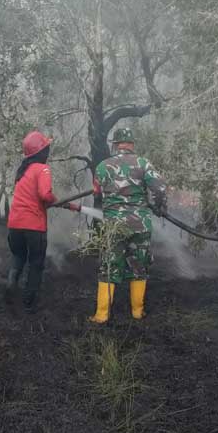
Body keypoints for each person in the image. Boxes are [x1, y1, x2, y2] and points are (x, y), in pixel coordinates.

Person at [85, 128, 168, 323]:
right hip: (140, 225)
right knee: (139, 266)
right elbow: (160, 188)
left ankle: (101, 315)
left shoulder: (103, 166)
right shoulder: (143, 163)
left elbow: (96, 191)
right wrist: (158, 207)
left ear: (115, 144)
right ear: (132, 144)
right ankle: (137, 312)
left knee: (109, 267)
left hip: (114, 226)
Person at [6, 130, 58, 312]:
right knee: (36, 263)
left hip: (14, 225)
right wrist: (53, 199)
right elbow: (45, 194)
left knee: (19, 257)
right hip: (33, 226)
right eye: (47, 148)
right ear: (41, 152)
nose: (48, 151)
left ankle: (10, 288)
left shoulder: (22, 171)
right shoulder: (42, 169)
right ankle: (29, 302)